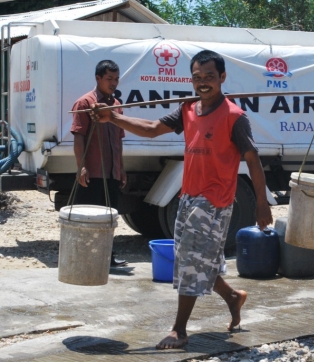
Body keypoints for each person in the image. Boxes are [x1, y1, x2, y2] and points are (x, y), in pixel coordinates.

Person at [91, 50, 273, 349]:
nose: (203, 83)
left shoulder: (234, 117)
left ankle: (179, 329)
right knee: (198, 258)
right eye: (197, 78)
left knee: (190, 260)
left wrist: (260, 203)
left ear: (222, 78)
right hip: (188, 195)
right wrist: (113, 117)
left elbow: (252, 160)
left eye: (209, 78)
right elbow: (151, 130)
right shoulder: (188, 109)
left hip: (214, 200)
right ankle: (232, 296)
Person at [71, 59, 128, 267]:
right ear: (98, 79)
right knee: (87, 217)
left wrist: (121, 168)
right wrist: (81, 167)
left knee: (109, 216)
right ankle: (83, 258)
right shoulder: (85, 103)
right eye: (109, 79)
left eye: (116, 79)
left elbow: (119, 140)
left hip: (111, 172)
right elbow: (78, 137)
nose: (113, 83)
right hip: (93, 172)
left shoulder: (116, 107)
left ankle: (107, 257)